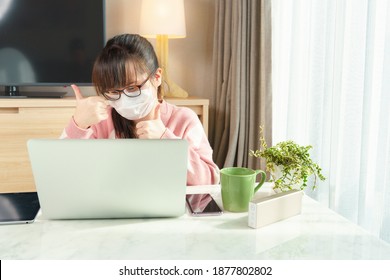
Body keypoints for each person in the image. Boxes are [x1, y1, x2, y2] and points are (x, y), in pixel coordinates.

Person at [61, 34, 220, 186]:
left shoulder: (184, 120)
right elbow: (63, 173)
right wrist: (78, 124)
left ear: (156, 77)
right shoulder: (101, 120)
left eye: (132, 87)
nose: (123, 98)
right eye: (113, 92)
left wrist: (167, 140)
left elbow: (210, 181)